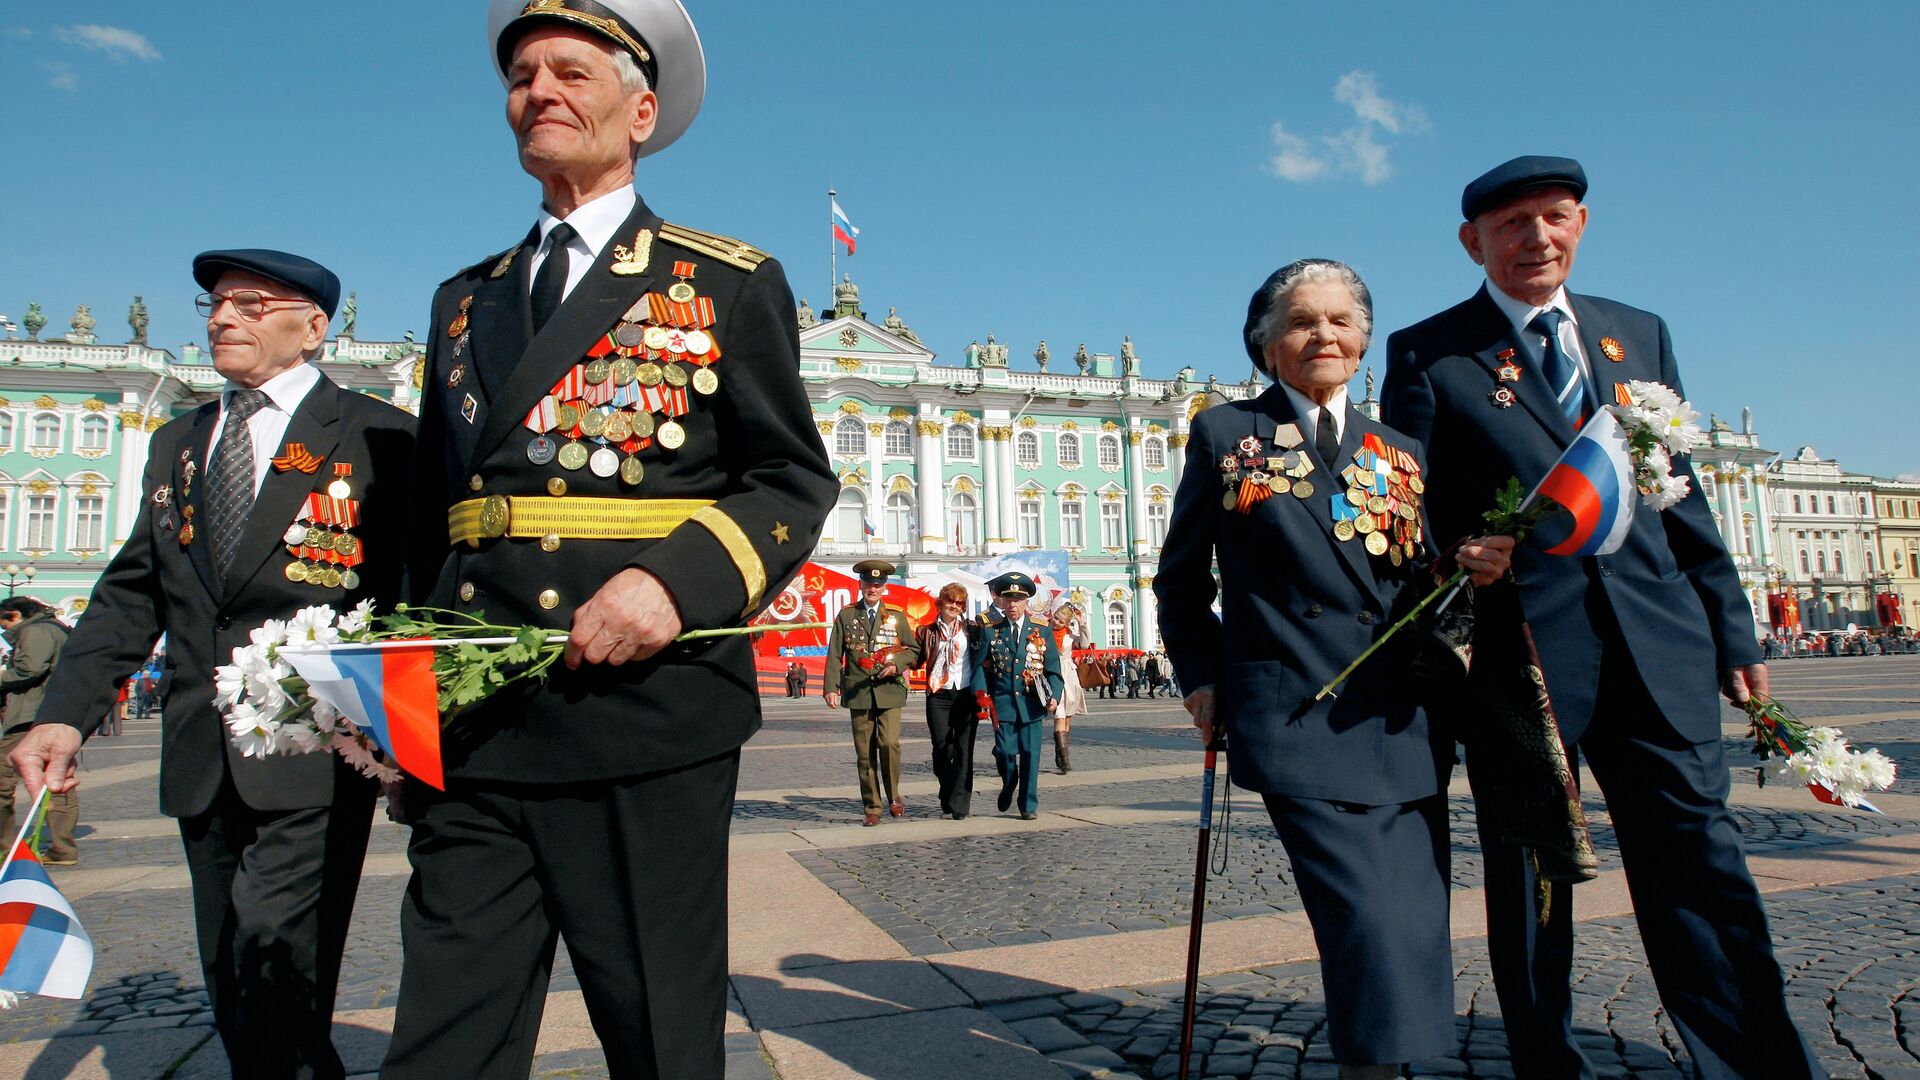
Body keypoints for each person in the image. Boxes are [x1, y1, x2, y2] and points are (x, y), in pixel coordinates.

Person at [384, 4, 835, 1075]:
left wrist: (675, 585)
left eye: (570, 71)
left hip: (642, 714)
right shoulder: (464, 299)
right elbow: (439, 521)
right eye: (523, 74)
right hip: (478, 717)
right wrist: (401, 707)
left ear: (640, 111)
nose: (538, 89)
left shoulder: (721, 279)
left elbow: (789, 478)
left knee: (658, 1035)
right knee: (443, 1038)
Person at [1382, 155, 1823, 1079]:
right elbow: (1410, 504)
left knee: (1702, 865)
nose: (1535, 238)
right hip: (1525, 658)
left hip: (1661, 645)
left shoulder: (1638, 334)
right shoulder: (1429, 352)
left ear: (1581, 223)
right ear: (1474, 242)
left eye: (1553, 217)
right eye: (1511, 224)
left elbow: (1681, 494)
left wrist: (1732, 633)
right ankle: (1549, 1063)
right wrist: (1458, 549)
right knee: (1535, 882)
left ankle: (1752, 1062)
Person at [8, 248, 415, 1078]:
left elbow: (416, 597)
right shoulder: (180, 441)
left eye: (251, 303)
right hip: (201, 749)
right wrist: (63, 715)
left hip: (316, 749)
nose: (224, 317)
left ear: (313, 326)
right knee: (229, 959)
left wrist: (408, 744)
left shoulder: (381, 436)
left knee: (277, 947)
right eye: (216, 303)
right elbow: (132, 593)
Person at [1157, 259, 1512, 1078]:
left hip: (1401, 719)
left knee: (1417, 917)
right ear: (1268, 345)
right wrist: (1201, 676)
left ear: (1362, 343)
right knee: (1366, 917)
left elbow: (1420, 577)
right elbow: (1180, 578)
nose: (1324, 334)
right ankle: (1375, 1068)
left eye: (1341, 321)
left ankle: (1395, 1063)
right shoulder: (1226, 432)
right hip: (1295, 717)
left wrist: (1466, 566)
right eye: (1302, 321)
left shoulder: (1399, 447)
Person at [824, 560, 922, 826]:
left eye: (878, 585)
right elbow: (835, 654)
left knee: (889, 744)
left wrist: (895, 665)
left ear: (884, 587)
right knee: (865, 752)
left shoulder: (896, 616)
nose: (873, 589)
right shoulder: (846, 615)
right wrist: (830, 687)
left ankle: (894, 796)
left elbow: (912, 650)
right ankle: (872, 806)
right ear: (861, 585)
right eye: (868, 584)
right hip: (858, 691)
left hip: (888, 691)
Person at [971, 573, 1063, 820]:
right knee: (1004, 751)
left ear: (1026, 603)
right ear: (1001, 601)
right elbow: (981, 666)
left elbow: (1053, 669)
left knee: (1031, 756)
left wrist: (1054, 696)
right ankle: (1009, 781)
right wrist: (981, 694)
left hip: (1032, 704)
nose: (1012, 605)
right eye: (1008, 599)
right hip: (1003, 704)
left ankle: (1028, 804)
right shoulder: (992, 631)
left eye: (1018, 600)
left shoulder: (1041, 631)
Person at [0, 597, 77, 863]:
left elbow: (29, 669)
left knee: (2, 779)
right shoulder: (56, 628)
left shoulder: (35, 630)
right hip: (55, 711)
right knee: (56, 780)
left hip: (30, 716)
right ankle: (62, 847)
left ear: (15, 615)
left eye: (3, 623)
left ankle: (7, 848)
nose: (3, 631)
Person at [916, 582, 984, 818]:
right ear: (941, 603)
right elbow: (912, 657)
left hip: (965, 692)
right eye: (950, 601)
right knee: (942, 748)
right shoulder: (927, 632)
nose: (954, 606)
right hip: (938, 693)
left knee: (964, 749)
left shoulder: (972, 630)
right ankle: (947, 789)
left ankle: (959, 805)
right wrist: (892, 663)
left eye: (959, 603)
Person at [1047, 602, 1091, 772]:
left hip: (1069, 676)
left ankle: (1061, 752)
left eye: (1060, 621)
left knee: (1068, 717)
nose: (1056, 622)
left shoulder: (1069, 636)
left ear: (1066, 623)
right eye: (1055, 618)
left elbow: (1085, 644)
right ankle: (1065, 760)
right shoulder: (1045, 633)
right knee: (1059, 715)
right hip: (1053, 675)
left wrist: (1082, 623)